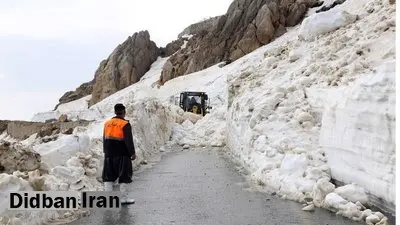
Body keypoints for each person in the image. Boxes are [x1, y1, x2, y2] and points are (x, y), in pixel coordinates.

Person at [102, 103, 136, 204]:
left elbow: (104, 138)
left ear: (115, 112)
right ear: (124, 112)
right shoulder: (125, 124)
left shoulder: (107, 123)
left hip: (109, 154)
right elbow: (128, 140)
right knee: (124, 176)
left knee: (108, 177)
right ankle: (124, 199)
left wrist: (105, 151)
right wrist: (132, 153)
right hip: (122, 154)